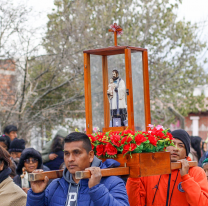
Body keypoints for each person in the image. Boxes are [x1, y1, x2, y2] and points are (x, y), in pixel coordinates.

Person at [26, 132, 129, 206]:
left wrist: (96, 189)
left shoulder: (112, 182)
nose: (70, 159)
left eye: (77, 152)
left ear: (90, 155)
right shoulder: (55, 185)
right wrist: (36, 195)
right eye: (67, 154)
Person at [126, 129, 208, 206]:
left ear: (186, 153)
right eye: (171, 144)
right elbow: (134, 203)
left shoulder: (197, 172)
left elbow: (203, 203)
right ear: (165, 148)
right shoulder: (150, 171)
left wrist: (186, 178)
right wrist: (133, 178)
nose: (175, 148)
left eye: (181, 145)